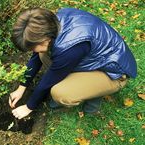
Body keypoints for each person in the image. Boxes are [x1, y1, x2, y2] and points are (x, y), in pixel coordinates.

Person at [9, 8, 137, 119]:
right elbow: (36, 57)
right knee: (42, 54)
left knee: (60, 93)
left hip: (114, 73)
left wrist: (29, 106)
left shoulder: (70, 48)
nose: (31, 51)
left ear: (44, 39)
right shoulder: (52, 24)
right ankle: (87, 86)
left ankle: (95, 96)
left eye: (32, 47)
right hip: (95, 59)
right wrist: (22, 87)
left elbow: (50, 78)